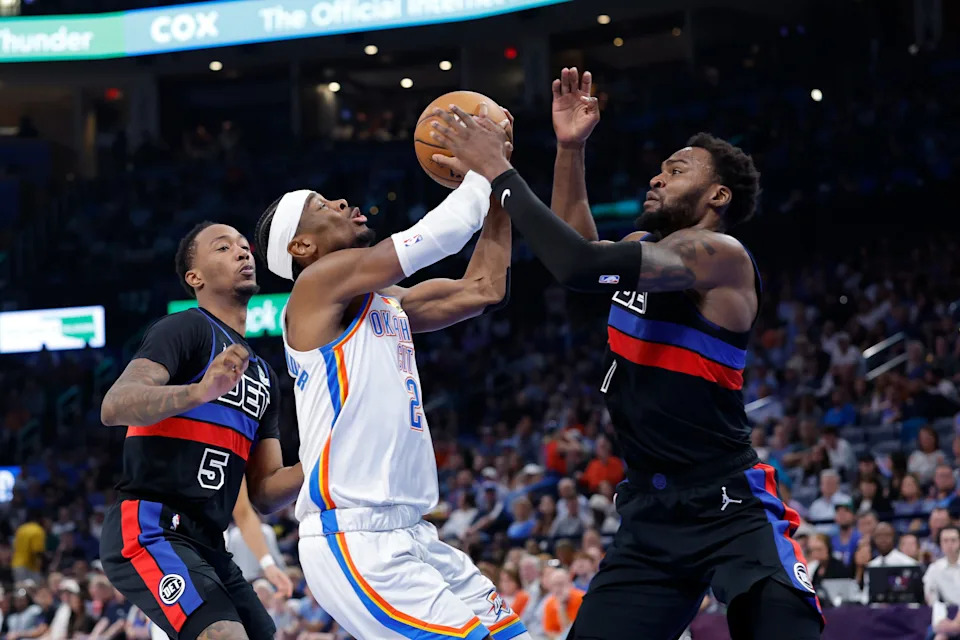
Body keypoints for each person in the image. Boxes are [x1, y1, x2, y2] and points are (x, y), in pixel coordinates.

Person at [431, 66, 823, 639]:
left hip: (729, 506)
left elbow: (581, 264)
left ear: (718, 195)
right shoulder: (645, 247)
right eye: (660, 168)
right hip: (649, 515)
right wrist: (570, 150)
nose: (657, 178)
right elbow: (579, 251)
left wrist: (499, 171)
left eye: (677, 169)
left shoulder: (719, 255)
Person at [253, 107, 528, 640]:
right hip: (355, 540)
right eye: (320, 206)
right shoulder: (314, 288)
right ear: (301, 247)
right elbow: (437, 236)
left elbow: (484, 289)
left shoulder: (385, 301)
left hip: (412, 534)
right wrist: (487, 168)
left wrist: (501, 190)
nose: (339, 201)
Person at [98, 222, 303, 640]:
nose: (243, 253)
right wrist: (196, 392)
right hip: (152, 525)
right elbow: (114, 405)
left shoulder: (262, 374)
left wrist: (324, 461)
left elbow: (264, 494)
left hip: (210, 542)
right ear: (195, 277)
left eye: (246, 247)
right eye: (224, 248)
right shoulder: (187, 328)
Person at [923, 526, 960, 639]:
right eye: (945, 541)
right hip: (947, 613)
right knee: (940, 636)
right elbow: (930, 597)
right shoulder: (934, 568)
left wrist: (956, 624)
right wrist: (941, 619)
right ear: (940, 543)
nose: (949, 544)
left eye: (953, 540)